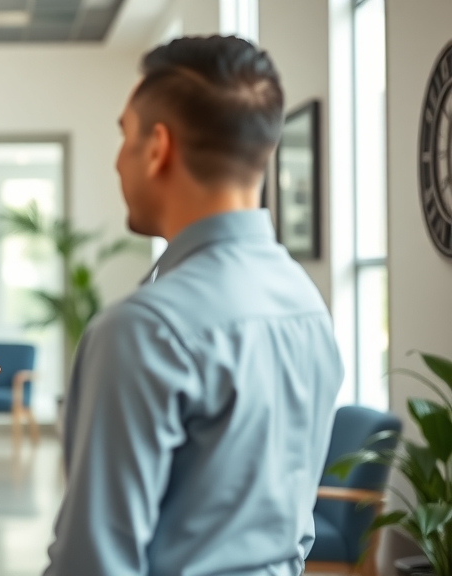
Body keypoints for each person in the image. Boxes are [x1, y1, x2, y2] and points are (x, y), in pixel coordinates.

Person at [44, 35, 344, 576]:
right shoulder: (307, 305)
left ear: (157, 147)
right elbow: (296, 532)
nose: (116, 161)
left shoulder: (143, 331)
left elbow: (95, 562)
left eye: (124, 136)